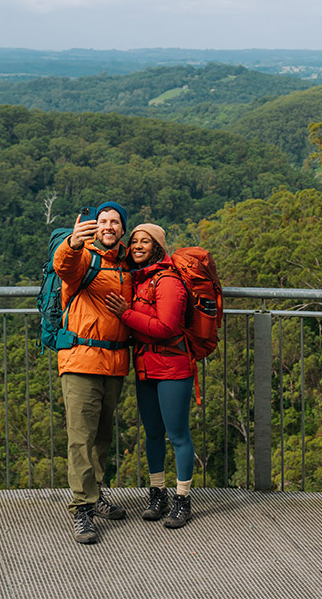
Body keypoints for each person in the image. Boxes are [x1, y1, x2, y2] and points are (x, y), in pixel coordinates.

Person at [105, 223, 195, 529]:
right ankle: (157, 494)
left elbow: (166, 329)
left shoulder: (168, 282)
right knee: (153, 434)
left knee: (177, 436)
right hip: (146, 369)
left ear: (158, 246)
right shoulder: (140, 280)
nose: (138, 246)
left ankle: (182, 499)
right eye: (135, 241)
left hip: (172, 368)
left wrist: (125, 314)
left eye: (146, 241)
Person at [53, 201, 132, 544]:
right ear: (95, 226)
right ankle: (81, 508)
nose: (109, 226)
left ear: (122, 229)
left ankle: (96, 495)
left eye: (115, 222)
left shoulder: (127, 266)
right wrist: (72, 242)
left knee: (101, 435)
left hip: (114, 363)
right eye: (103, 221)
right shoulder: (83, 257)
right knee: (81, 438)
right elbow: (64, 267)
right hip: (81, 361)